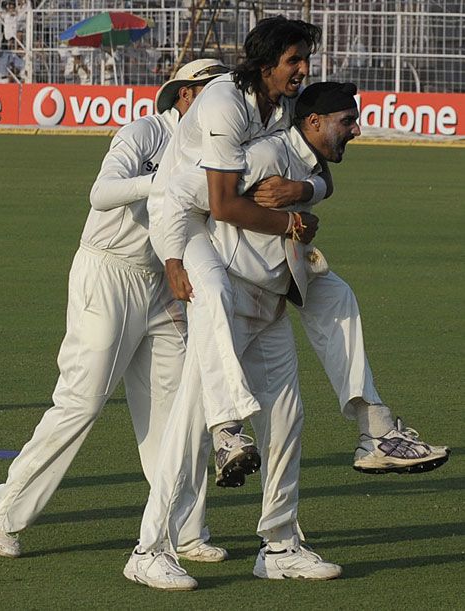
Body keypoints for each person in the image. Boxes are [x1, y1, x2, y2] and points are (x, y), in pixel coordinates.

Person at [0, 59, 231, 564]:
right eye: (213, 91)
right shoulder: (144, 132)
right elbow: (101, 192)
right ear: (185, 95)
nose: (222, 103)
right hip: (108, 272)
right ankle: (5, 508)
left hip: (164, 280)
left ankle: (184, 528)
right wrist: (161, 184)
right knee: (82, 401)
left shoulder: (218, 150)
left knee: (179, 412)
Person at [124, 81, 364, 591]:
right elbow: (185, 193)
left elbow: (320, 178)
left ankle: (279, 546)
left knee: (287, 423)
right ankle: (150, 550)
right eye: (348, 120)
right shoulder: (255, 145)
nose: (357, 129)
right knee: (191, 428)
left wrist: (306, 193)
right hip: (226, 300)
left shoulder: (285, 137)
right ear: (314, 122)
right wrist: (173, 254)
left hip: (271, 302)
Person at [147, 15, 327, 488]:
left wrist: (303, 189)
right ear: (265, 63)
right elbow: (224, 204)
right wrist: (293, 223)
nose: (303, 69)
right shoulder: (225, 101)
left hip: (220, 220)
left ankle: (373, 422)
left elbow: (320, 171)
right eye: (294, 60)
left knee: (330, 289)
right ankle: (227, 428)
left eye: (306, 59)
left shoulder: (283, 106)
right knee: (213, 293)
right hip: (184, 216)